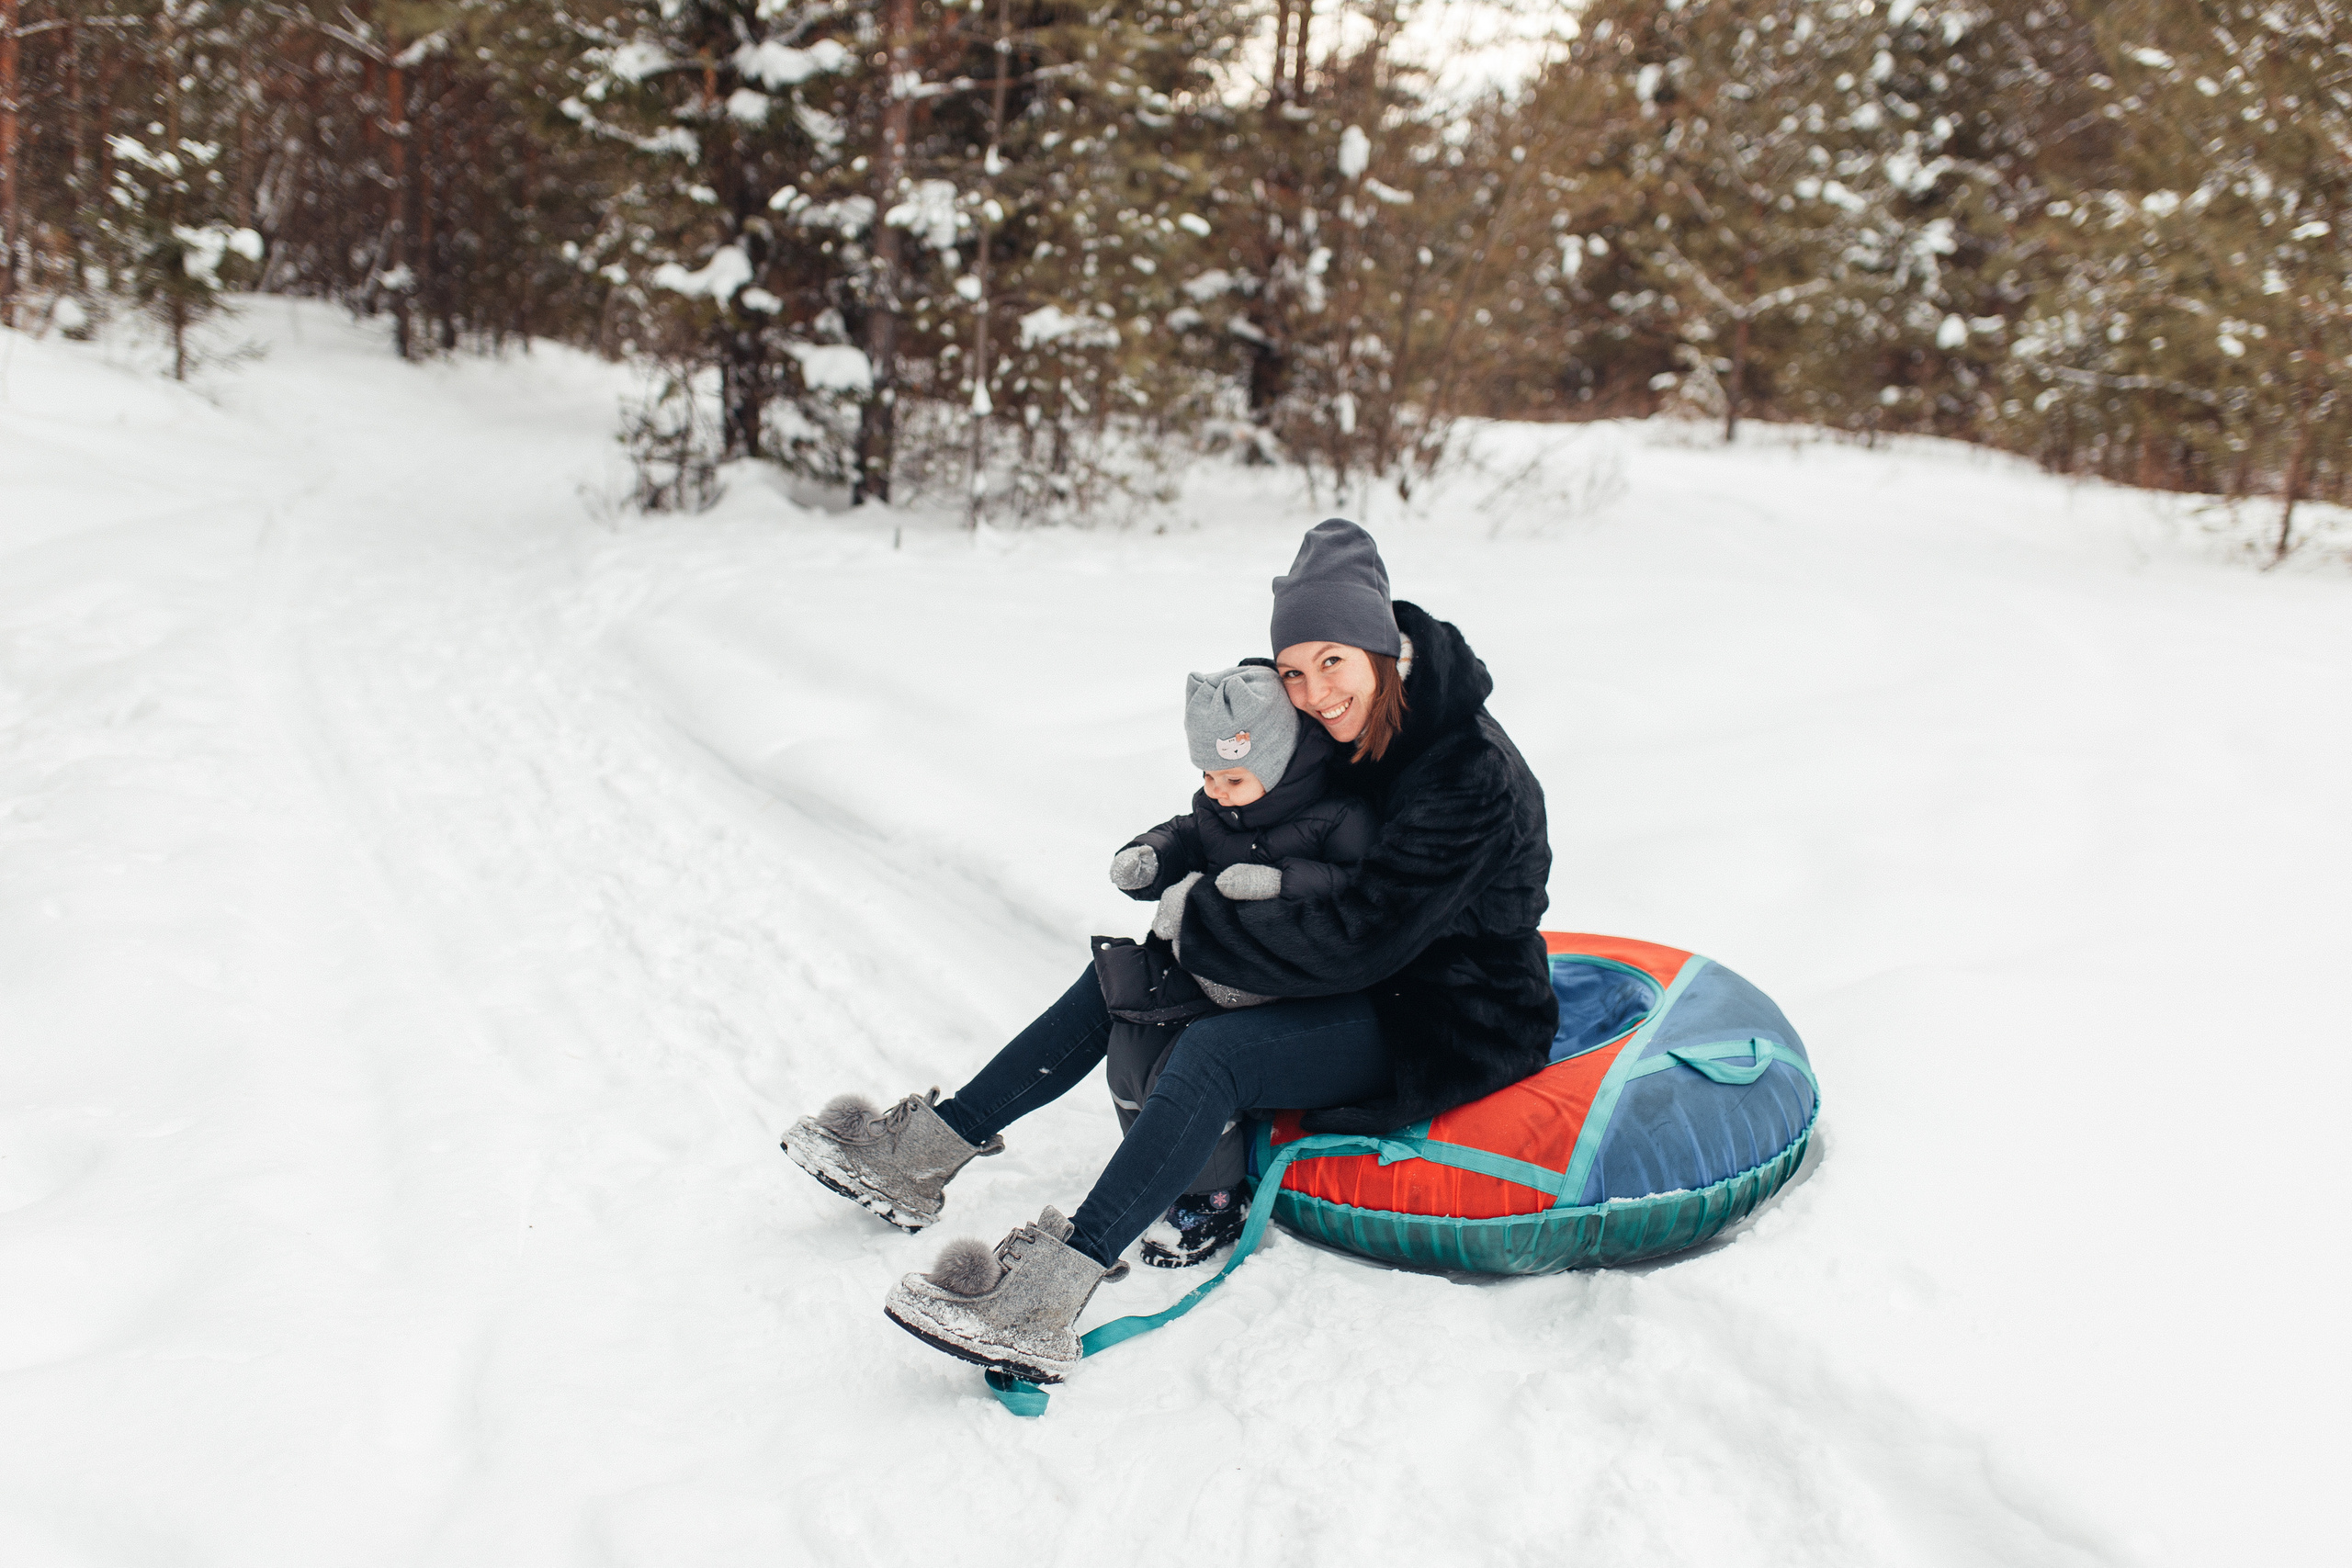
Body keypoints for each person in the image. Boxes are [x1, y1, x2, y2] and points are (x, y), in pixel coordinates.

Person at [777, 518, 1557, 1386]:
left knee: (1214, 1054)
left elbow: (1360, 942)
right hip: (1365, 967)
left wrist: (1200, 926)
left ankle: (1044, 1296)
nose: (1312, 691)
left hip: (1443, 1011)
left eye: (1330, 660)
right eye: (1294, 671)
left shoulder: (1466, 773)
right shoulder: (1355, 718)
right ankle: (926, 1151)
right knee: (1121, 977)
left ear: (1379, 644)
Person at [1095, 660, 1380, 1268]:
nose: (1214, 792)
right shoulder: (1221, 803)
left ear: (1275, 763)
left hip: (1294, 992)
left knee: (1187, 1061)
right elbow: (1188, 832)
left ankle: (1215, 1196)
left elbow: (1361, 889)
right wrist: (1153, 855)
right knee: (1131, 1051)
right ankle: (1160, 1161)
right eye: (1206, 774)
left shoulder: (1340, 815)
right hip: (1218, 971)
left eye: (1230, 778)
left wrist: (1282, 882)